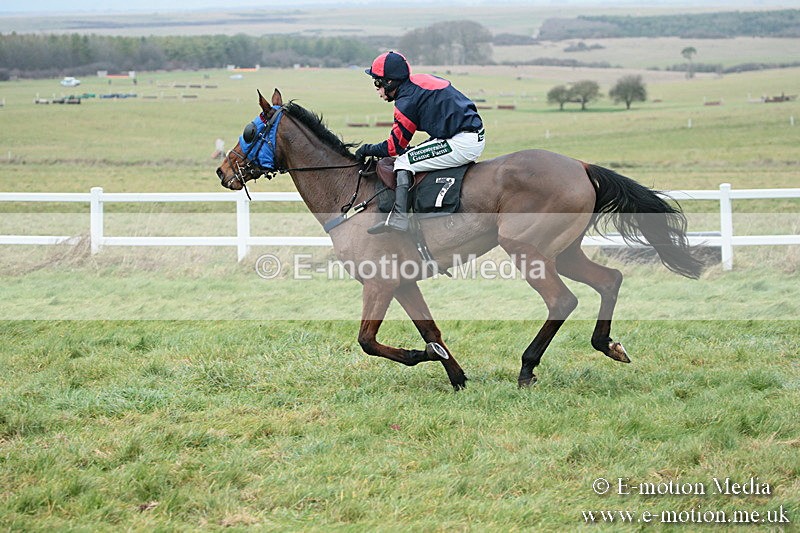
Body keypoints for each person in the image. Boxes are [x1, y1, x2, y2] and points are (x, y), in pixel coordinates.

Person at [355, 51, 485, 234]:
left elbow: (394, 147)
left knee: (403, 161)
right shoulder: (419, 81)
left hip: (462, 141)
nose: (376, 88)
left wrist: (367, 149)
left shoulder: (406, 103)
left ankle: (399, 218)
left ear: (389, 82)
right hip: (465, 132)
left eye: (377, 82)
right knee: (411, 154)